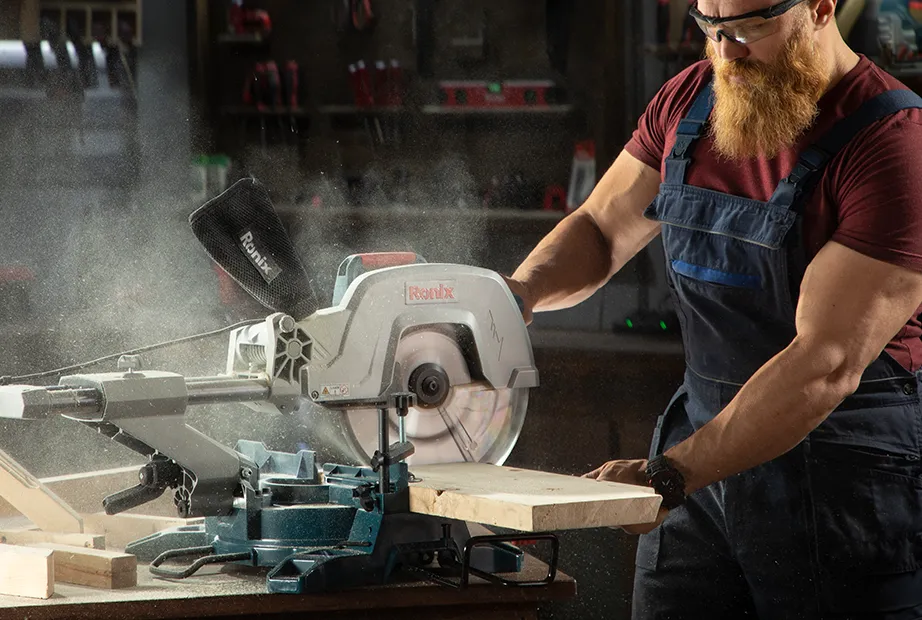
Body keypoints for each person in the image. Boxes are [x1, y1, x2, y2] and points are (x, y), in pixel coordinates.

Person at [505, 0, 922, 617]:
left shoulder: (893, 144)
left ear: (819, 8)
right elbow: (599, 228)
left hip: (843, 478)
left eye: (752, 28)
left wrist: (669, 475)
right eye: (712, 28)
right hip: (696, 465)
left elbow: (825, 364)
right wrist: (511, 299)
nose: (727, 52)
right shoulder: (690, 102)